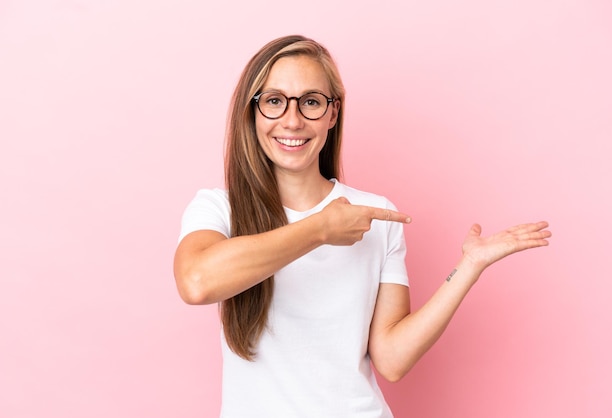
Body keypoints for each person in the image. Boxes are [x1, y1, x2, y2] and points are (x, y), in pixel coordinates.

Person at [173, 35, 551, 418]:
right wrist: (320, 229)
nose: (292, 120)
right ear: (252, 112)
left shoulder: (375, 214)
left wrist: (468, 267)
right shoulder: (219, 208)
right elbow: (197, 282)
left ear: (332, 114)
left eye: (311, 102)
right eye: (274, 101)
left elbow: (391, 360)